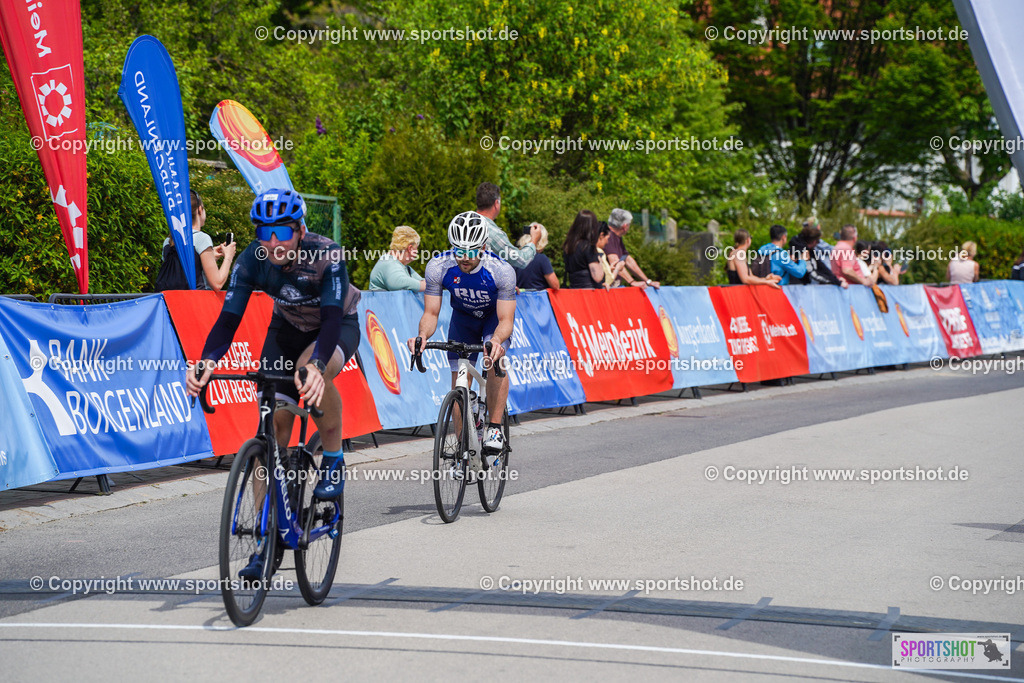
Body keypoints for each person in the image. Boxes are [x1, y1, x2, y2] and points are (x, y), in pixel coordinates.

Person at [188, 188, 361, 513]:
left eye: (282, 232)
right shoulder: (252, 259)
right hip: (286, 330)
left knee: (311, 369)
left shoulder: (327, 255)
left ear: (301, 231)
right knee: (272, 429)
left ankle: (334, 460)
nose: (273, 241)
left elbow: (333, 320)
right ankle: (263, 535)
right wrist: (207, 361)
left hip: (335, 327)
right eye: (264, 233)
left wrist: (317, 365)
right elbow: (228, 321)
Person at [407, 211, 517, 454]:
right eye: (459, 250)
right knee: (458, 382)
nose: (464, 257)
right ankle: (462, 448)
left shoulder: (501, 271)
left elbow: (505, 319)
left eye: (471, 251)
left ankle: (495, 427)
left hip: (492, 322)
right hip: (463, 321)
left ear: (484, 247)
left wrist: (497, 341)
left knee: (494, 357)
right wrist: (423, 336)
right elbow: (431, 314)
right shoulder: (438, 266)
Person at [158, 190, 236, 291]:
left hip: (172, 303)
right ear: (200, 210)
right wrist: (229, 257)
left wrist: (210, 257)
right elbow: (217, 283)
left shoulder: (168, 241)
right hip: (195, 303)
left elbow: (183, 272)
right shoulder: (201, 239)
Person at [475, 182, 539, 269]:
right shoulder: (493, 234)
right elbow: (521, 260)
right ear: (496, 203)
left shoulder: (462, 222)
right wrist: (534, 240)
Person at [604, 208, 659, 288]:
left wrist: (648, 281)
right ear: (625, 226)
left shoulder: (617, 237)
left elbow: (628, 260)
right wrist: (632, 282)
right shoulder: (608, 236)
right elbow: (615, 262)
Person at [369, 226, 426, 292]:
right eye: (416, 247)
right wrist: (425, 286)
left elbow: (422, 281)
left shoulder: (404, 267)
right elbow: (397, 282)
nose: (417, 251)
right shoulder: (388, 263)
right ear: (410, 248)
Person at [562, 210, 604, 289]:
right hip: (589, 292)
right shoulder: (588, 246)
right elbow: (597, 277)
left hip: (573, 290)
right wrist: (600, 262)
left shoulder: (568, 246)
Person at [515, 223, 559, 290]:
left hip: (518, 297)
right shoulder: (542, 259)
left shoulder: (515, 257)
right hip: (537, 298)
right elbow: (555, 286)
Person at [596, 224, 626, 288]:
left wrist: (609, 269)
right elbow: (608, 280)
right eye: (607, 238)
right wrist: (617, 269)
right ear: (601, 236)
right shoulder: (599, 252)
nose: (607, 242)